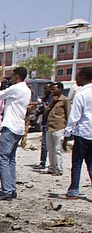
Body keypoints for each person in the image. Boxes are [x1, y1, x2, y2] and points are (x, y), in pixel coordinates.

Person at [0, 66, 31, 200]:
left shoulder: (15, 88)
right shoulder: (26, 90)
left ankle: (6, 190)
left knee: (3, 159)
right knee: (10, 159)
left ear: (17, 76)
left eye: (12, 76)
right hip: (19, 127)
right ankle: (11, 188)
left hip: (10, 126)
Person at [62, 66, 92, 198]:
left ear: (83, 77)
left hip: (83, 132)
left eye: (78, 76)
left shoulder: (81, 94)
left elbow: (74, 117)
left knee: (77, 162)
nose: (76, 79)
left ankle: (74, 188)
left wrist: (67, 135)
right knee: (91, 163)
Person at [44, 82, 70, 176]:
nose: (52, 91)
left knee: (58, 149)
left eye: (54, 89)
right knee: (50, 149)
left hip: (59, 127)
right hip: (50, 127)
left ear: (60, 89)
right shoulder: (52, 100)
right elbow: (47, 111)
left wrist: (68, 129)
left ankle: (59, 169)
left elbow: (68, 114)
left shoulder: (64, 100)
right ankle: (51, 167)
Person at [35, 83, 54, 168]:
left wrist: (44, 104)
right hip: (44, 122)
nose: (44, 90)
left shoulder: (52, 98)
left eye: (46, 88)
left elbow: (48, 109)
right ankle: (43, 161)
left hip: (50, 123)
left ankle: (46, 163)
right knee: (44, 143)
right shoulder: (46, 98)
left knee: (46, 144)